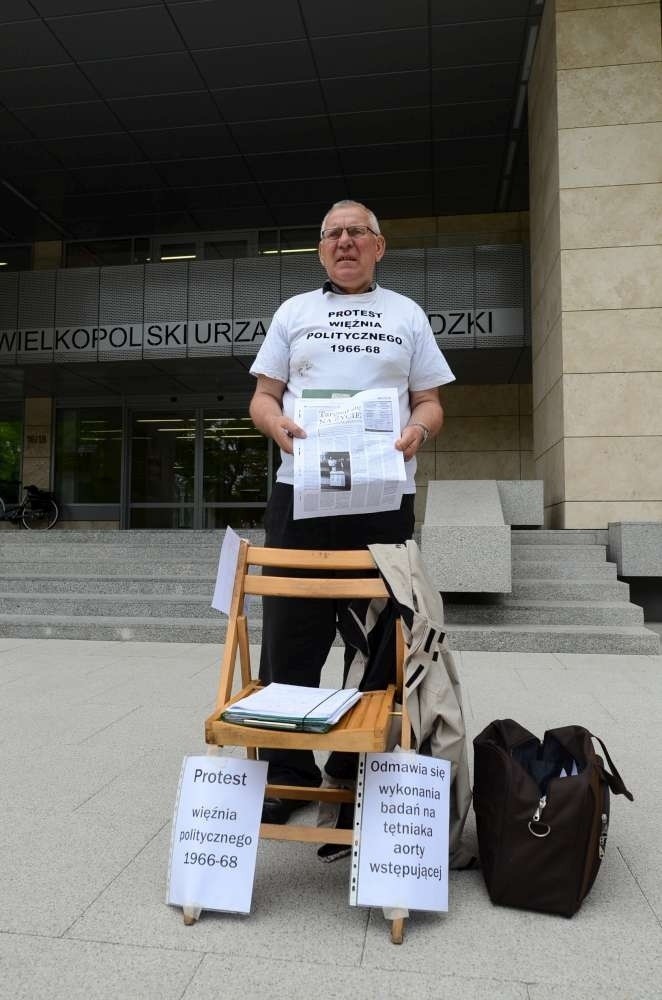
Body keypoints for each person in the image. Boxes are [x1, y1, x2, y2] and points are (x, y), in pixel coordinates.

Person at [249, 199, 455, 825]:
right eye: (332, 234)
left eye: (356, 233)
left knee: (386, 632)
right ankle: (286, 773)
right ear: (320, 249)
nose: (344, 242)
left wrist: (419, 429)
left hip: (383, 496)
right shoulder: (294, 312)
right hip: (302, 494)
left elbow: (429, 402)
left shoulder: (407, 315)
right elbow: (262, 398)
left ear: (379, 245)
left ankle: (356, 761)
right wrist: (277, 425)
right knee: (290, 632)